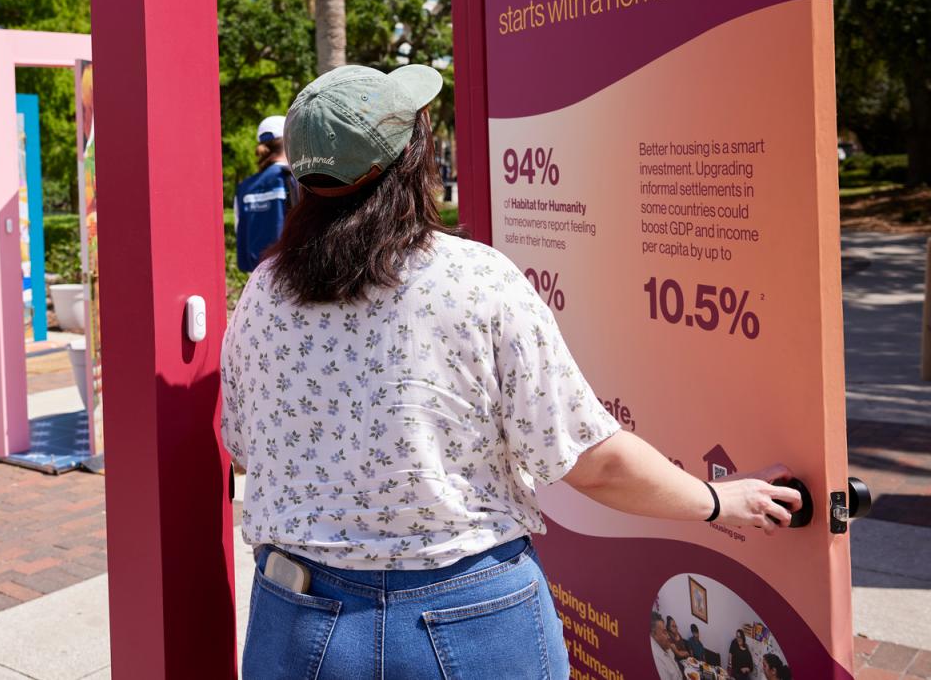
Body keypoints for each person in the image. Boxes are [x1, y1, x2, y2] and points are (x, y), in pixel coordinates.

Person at [220, 64, 802, 680]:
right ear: (410, 163)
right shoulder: (476, 279)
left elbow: (244, 450)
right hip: (467, 617)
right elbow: (591, 462)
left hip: (300, 620)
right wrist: (717, 500)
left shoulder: (264, 292)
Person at [233, 115, 297, 273]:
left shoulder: (244, 187)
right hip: (292, 273)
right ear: (289, 141)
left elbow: (238, 227)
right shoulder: (295, 179)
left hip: (257, 276)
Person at [651, 615, 684, 680]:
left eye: (676, 626)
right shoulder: (657, 660)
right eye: (664, 632)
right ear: (653, 635)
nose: (668, 636)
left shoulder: (667, 648)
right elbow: (679, 654)